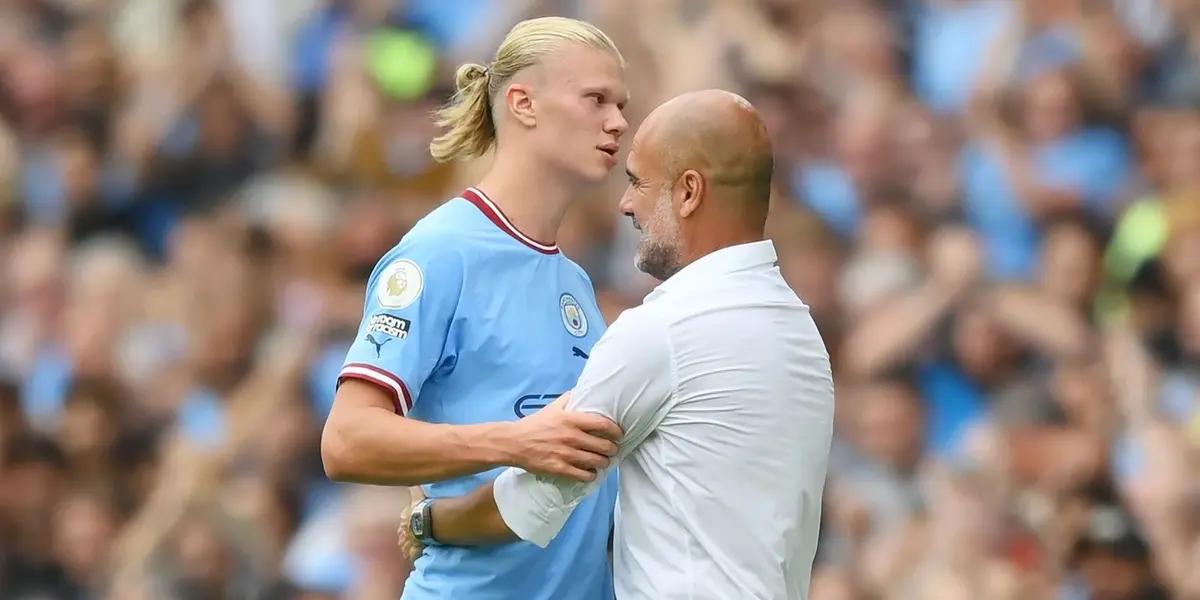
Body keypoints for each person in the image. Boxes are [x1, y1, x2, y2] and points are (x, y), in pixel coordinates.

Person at [401, 90, 837, 600]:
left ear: (689, 192)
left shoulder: (664, 329)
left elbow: (529, 505)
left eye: (637, 182)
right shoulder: (800, 331)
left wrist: (425, 520)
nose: (626, 203)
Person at [319, 16, 630, 600]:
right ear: (524, 104)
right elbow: (346, 441)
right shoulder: (440, 253)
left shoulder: (575, 282)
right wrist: (515, 441)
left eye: (620, 104)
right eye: (595, 99)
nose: (617, 122)